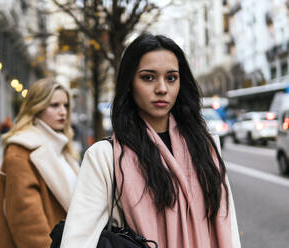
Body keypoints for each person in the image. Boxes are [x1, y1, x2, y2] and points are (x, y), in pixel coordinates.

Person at [60, 33, 241, 248]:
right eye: (148, 77)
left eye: (171, 78)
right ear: (129, 83)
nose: (162, 88)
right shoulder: (104, 156)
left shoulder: (206, 146)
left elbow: (228, 227)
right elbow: (76, 241)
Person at [0, 78, 80, 248]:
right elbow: (27, 225)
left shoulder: (63, 148)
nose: (63, 112)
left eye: (66, 105)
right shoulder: (21, 152)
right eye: (54, 105)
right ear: (37, 108)